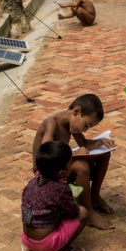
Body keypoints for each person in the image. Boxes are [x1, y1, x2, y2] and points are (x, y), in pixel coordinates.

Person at [32, 94, 115, 230]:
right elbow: (46, 153)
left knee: (105, 153)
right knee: (81, 166)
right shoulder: (51, 123)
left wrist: (101, 142)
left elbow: (84, 143)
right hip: (45, 172)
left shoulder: (72, 124)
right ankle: (89, 213)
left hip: (60, 167)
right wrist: (75, 153)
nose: (84, 130)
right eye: (86, 125)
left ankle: (94, 196)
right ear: (77, 111)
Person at [21, 141, 88, 251]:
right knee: (83, 212)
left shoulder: (32, 183)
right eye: (70, 163)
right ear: (62, 172)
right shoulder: (60, 190)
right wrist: (71, 199)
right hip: (47, 246)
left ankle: (29, 249)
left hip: (27, 239)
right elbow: (73, 212)